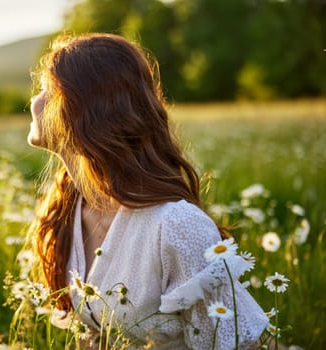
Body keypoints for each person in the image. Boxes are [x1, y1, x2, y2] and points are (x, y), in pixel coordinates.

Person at [26, 33, 268, 349]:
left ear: (79, 107)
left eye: (45, 89)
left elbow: (236, 343)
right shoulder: (68, 208)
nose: (33, 101)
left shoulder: (176, 225)